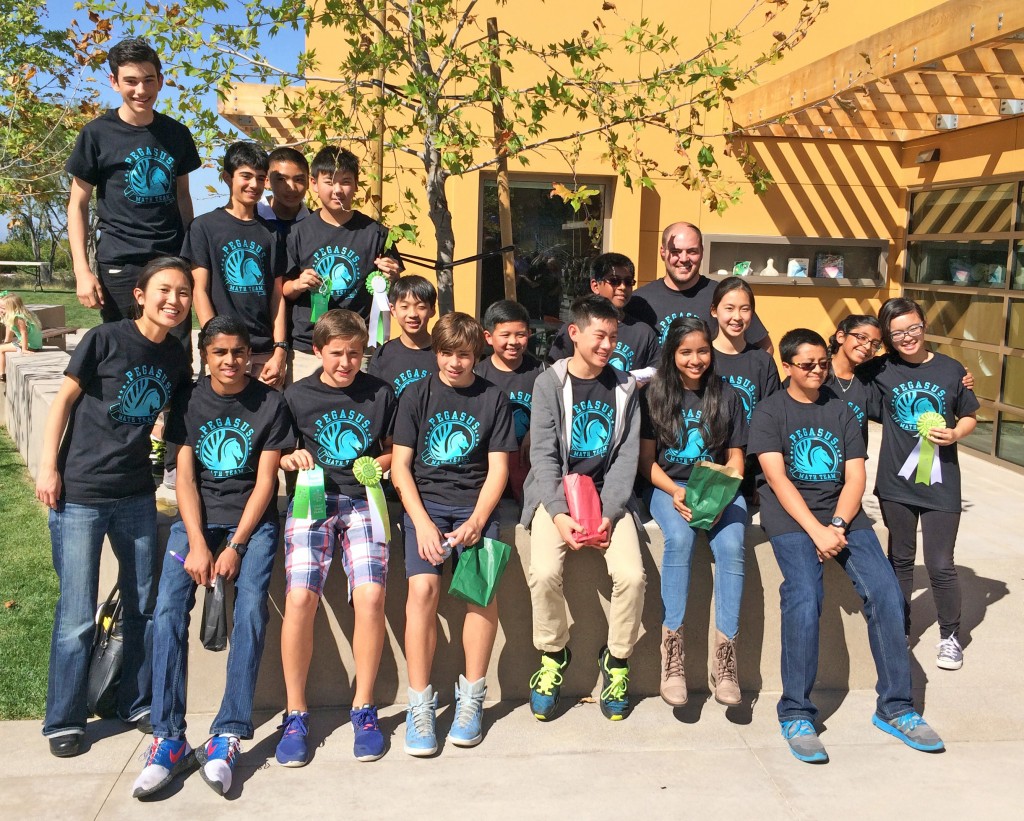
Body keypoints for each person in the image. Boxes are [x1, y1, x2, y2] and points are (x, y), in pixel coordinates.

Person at [748, 328, 944, 764]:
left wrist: (836, 523)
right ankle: (796, 712)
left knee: (888, 593)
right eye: (807, 365)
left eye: (822, 363)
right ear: (787, 366)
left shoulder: (841, 412)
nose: (817, 371)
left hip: (843, 515)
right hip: (792, 517)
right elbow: (777, 480)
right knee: (803, 595)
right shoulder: (768, 412)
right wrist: (817, 531)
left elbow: (856, 477)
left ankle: (896, 706)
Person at [35, 257, 194, 758]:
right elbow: (62, 402)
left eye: (184, 292)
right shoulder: (103, 340)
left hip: (135, 497)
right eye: (164, 290)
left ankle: (135, 701)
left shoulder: (175, 355)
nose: (174, 300)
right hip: (80, 492)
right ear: (141, 295)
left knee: (143, 604)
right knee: (77, 614)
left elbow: (181, 421)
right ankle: (64, 718)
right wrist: (48, 467)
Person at [131, 316, 294, 798]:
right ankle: (169, 737)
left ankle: (228, 734)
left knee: (249, 613)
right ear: (206, 355)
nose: (230, 361)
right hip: (196, 522)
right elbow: (183, 478)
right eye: (220, 352)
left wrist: (238, 546)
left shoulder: (270, 404)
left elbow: (267, 481)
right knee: (166, 613)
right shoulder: (187, 401)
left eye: (239, 352)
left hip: (252, 522)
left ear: (251, 355)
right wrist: (200, 544)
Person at [274, 310, 398, 766]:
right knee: (301, 599)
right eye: (336, 354)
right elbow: (284, 452)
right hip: (313, 502)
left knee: (370, 597)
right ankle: (296, 712)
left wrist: (378, 467)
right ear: (317, 351)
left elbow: (392, 452)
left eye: (354, 353)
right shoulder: (297, 395)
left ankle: (364, 708)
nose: (346, 362)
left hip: (364, 503)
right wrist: (292, 459)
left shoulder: (380, 393)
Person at [390, 312, 517, 755]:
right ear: (436, 353)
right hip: (426, 509)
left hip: (475, 510)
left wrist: (477, 522)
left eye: (463, 355)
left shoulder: (493, 398)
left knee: (479, 596)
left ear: (477, 354)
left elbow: (499, 468)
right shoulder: (415, 395)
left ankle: (472, 699)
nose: (454, 363)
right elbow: (401, 467)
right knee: (422, 591)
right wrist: (422, 522)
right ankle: (420, 704)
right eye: (446, 353)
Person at [522, 294, 645, 722]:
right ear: (574, 334)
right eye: (599, 335)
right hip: (555, 496)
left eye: (613, 336)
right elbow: (543, 456)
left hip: (609, 500)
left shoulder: (626, 388)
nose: (608, 344)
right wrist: (558, 514)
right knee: (543, 573)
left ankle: (617, 660)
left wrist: (608, 515)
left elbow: (626, 459)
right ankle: (554, 654)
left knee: (631, 576)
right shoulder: (549, 384)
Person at [639, 317, 748, 707]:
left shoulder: (727, 395)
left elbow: (735, 459)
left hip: (718, 487)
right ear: (672, 353)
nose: (695, 359)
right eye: (686, 351)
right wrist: (675, 492)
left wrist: (719, 497)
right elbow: (647, 462)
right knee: (681, 539)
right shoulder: (654, 395)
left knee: (734, 545)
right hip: (671, 488)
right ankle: (673, 653)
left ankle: (727, 658)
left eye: (702, 350)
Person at [66, 37, 200, 350]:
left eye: (148, 80)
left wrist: (189, 254)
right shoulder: (96, 134)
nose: (141, 90)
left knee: (175, 354)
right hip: (120, 262)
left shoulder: (177, 134)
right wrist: (82, 271)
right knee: (123, 353)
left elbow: (183, 197)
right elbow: (77, 204)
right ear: (114, 82)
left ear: (160, 81)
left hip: (170, 257)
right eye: (131, 81)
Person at [871, 297, 979, 671]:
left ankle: (950, 636)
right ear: (888, 335)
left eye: (913, 328)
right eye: (897, 332)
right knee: (899, 560)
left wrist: (956, 433)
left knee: (939, 564)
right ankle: (899, 629)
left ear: (925, 325)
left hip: (942, 484)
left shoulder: (951, 370)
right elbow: (844, 370)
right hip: (895, 484)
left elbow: (970, 414)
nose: (907, 337)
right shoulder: (881, 369)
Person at [282, 146, 402, 382]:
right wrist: (298, 284)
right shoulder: (296, 233)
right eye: (329, 181)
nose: (337, 190)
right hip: (309, 348)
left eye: (346, 181)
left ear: (357, 185)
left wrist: (393, 278)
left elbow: (394, 290)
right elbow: (282, 290)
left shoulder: (376, 233)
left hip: (358, 348)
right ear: (314, 184)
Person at [180, 141, 289, 389]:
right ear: (228, 177)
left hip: (263, 352)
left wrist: (280, 348)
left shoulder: (272, 233)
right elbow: (200, 290)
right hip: (224, 351)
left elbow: (277, 295)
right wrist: (215, 342)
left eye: (261, 178)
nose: (254, 185)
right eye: (246, 176)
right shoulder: (204, 227)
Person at [626, 222, 772, 353]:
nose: (683, 259)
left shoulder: (722, 295)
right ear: (663, 252)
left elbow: (764, 347)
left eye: (691, 251)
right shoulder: (640, 301)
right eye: (675, 252)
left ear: (702, 252)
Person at [710, 277, 780, 499]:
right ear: (714, 310)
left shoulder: (761, 361)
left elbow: (773, 422)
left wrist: (764, 479)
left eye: (745, 309)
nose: (737, 317)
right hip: (708, 466)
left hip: (751, 468)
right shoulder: (701, 358)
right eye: (729, 308)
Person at [547, 253, 659, 383]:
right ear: (595, 285)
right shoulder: (577, 328)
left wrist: (629, 386)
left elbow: (657, 374)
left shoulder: (643, 333)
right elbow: (554, 372)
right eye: (614, 281)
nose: (622, 287)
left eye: (628, 282)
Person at [475, 299, 546, 502]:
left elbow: (557, 414)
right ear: (488, 337)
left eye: (520, 334)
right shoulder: (477, 374)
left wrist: (535, 431)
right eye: (505, 335)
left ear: (529, 334)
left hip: (530, 466)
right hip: (487, 467)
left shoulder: (542, 372)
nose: (513, 341)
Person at [367, 274, 438, 398]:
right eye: (404, 307)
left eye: (421, 307)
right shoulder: (383, 355)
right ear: (393, 310)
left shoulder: (443, 353)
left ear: (432, 310)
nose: (412, 314)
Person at [258, 146, 310, 234]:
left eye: (299, 179)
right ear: (267, 181)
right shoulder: (251, 217)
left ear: (308, 182)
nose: (292, 188)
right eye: (282, 179)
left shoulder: (315, 223)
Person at [0, 292, 42, 382]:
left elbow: (24, 333)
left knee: (0, 349)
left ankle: (2, 374)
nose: (1, 310)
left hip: (30, 346)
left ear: (12, 308)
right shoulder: (17, 315)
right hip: (33, 344)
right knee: (3, 347)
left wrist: (24, 349)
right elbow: (10, 327)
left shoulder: (18, 318)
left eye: (3, 308)